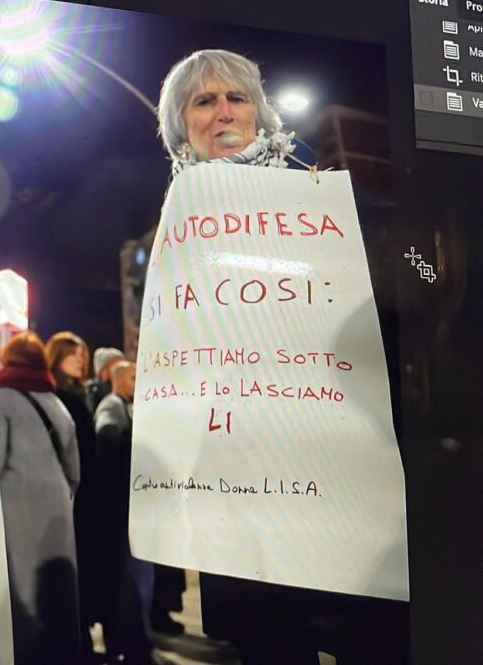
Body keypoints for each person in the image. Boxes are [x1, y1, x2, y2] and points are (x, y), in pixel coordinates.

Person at [156, 48, 407, 664]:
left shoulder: (317, 192)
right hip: (242, 476)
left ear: (261, 113)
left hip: (336, 462)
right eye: (204, 101)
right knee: (269, 640)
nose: (223, 112)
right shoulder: (179, 223)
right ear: (179, 124)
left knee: (366, 631)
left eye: (237, 97)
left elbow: (407, 270)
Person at [0, 331, 82, 664]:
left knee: (24, 595)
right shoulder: (56, 404)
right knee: (58, 594)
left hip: (16, 506)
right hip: (57, 506)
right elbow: (74, 471)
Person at [43, 331, 100, 660]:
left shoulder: (78, 395)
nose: (81, 359)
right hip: (74, 502)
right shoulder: (58, 399)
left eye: (83, 353)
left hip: (86, 500)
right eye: (73, 353)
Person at [94, 360, 154, 664]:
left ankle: (136, 640)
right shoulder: (113, 406)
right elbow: (106, 433)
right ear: (117, 379)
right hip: (122, 508)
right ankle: (135, 645)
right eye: (132, 376)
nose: (136, 381)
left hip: (130, 507)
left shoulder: (126, 406)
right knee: (134, 580)